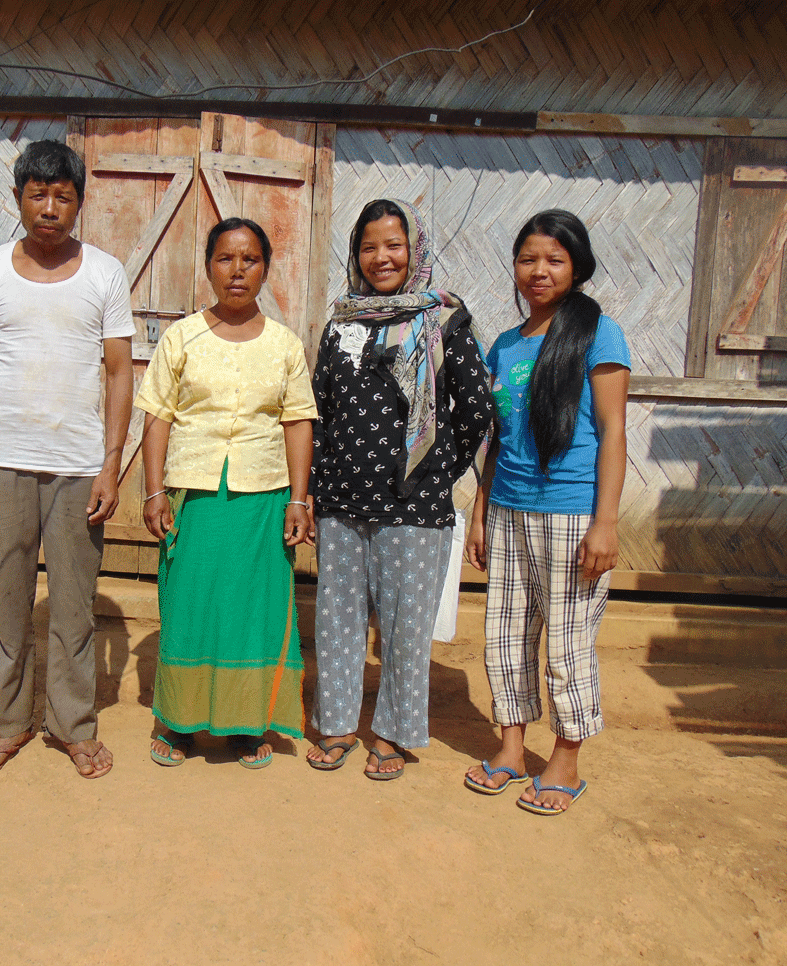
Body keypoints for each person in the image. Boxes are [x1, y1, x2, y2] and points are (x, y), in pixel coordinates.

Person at [0, 139, 134, 780]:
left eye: (63, 196)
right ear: (19, 198)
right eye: (38, 195)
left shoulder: (106, 274)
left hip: (78, 466)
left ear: (80, 203)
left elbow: (118, 374)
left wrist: (111, 465)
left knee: (74, 604)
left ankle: (72, 726)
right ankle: (5, 724)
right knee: (8, 600)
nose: (50, 208)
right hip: (2, 461)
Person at [306, 198, 494, 780]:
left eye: (394, 245)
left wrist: (437, 470)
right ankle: (336, 724)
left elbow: (478, 408)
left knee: (405, 625)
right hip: (341, 498)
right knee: (336, 618)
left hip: (413, 505)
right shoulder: (341, 321)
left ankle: (391, 733)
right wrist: (314, 487)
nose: (381, 257)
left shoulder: (446, 320)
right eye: (369, 247)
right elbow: (319, 408)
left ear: (415, 250)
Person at [462, 209, 630, 814]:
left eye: (554, 259)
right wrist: (480, 513)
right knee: (505, 635)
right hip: (507, 508)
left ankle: (565, 761)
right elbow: (495, 441)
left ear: (577, 267)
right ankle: (510, 750)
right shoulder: (504, 345)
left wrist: (604, 523)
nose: (539, 270)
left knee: (565, 643)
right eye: (528, 258)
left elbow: (614, 432)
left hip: (572, 515)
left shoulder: (599, 334)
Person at [136, 218, 317, 769]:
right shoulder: (181, 337)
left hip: (263, 497)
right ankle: (179, 723)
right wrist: (151, 491)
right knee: (190, 604)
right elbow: (158, 418)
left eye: (250, 259)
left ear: (265, 268)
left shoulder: (285, 344)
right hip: (196, 491)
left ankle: (247, 723)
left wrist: (298, 500)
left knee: (253, 608)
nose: (237, 270)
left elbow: (298, 422)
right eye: (225, 259)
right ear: (208, 266)